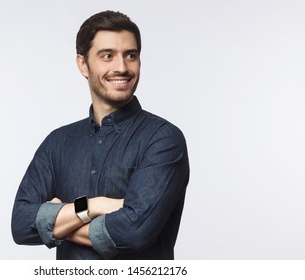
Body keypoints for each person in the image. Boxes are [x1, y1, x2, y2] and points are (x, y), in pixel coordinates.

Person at [11, 10, 189, 260]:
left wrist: (56, 221)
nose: (122, 68)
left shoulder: (162, 139)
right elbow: (20, 224)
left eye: (131, 55)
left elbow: (133, 232)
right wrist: (94, 206)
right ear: (83, 64)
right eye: (107, 56)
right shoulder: (58, 143)